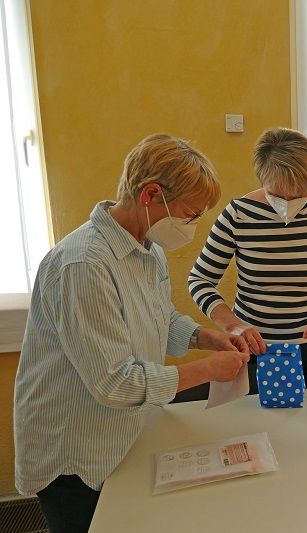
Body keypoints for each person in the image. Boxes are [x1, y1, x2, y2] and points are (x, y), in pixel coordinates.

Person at [14, 134, 251, 532]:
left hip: (122, 432)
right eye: (189, 214)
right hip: (74, 448)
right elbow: (116, 383)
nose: (192, 226)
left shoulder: (148, 249)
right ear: (150, 194)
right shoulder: (84, 265)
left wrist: (207, 337)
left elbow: (160, 317)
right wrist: (209, 369)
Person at [188, 127, 307, 389]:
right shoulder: (238, 215)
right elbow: (200, 281)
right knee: (254, 416)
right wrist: (233, 327)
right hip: (255, 349)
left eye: (299, 194)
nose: (288, 202)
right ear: (263, 177)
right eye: (278, 194)